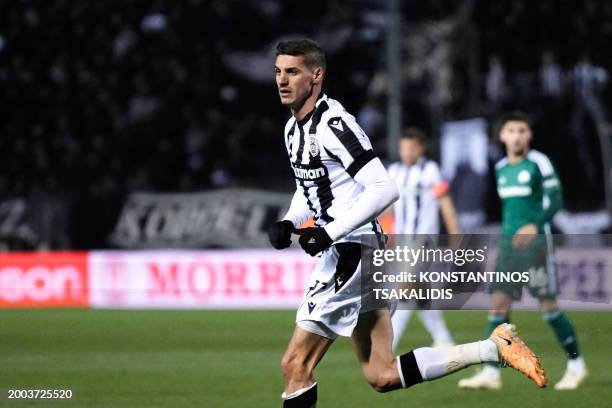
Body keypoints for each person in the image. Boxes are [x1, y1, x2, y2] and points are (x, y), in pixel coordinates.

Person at [268, 39, 546, 408]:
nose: (282, 80)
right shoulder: (293, 129)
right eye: (278, 72)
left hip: (353, 255)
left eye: (292, 72)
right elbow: (311, 187)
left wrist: (328, 232)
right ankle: (494, 347)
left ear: (316, 75)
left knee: (294, 365)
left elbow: (385, 189)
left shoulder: (333, 124)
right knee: (381, 374)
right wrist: (290, 221)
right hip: (358, 254)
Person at [458, 112, 587, 391]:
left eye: (522, 130)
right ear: (502, 136)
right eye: (511, 130)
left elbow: (555, 200)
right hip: (508, 248)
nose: (516, 135)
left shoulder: (539, 162)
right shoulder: (502, 167)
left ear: (529, 135)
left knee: (548, 309)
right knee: (498, 310)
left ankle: (577, 366)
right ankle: (491, 373)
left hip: (537, 246)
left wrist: (534, 225)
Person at [386, 128, 459, 351]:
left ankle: (388, 344)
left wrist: (455, 237)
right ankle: (443, 337)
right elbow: (386, 207)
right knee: (419, 291)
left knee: (404, 287)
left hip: (424, 240)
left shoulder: (430, 170)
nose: (405, 152)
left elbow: (445, 204)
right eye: (402, 147)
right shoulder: (394, 171)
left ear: (420, 148)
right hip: (402, 240)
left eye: (410, 147)